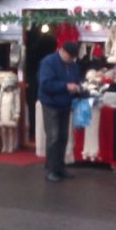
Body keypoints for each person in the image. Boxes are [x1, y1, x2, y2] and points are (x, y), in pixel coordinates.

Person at [38, 40, 81, 182]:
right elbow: (46, 84)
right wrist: (66, 86)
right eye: (69, 57)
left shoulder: (72, 65)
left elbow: (76, 79)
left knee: (63, 137)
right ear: (62, 51)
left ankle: (60, 167)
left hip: (65, 103)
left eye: (73, 58)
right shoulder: (48, 62)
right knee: (53, 136)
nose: (71, 60)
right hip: (51, 103)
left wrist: (79, 87)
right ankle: (51, 169)